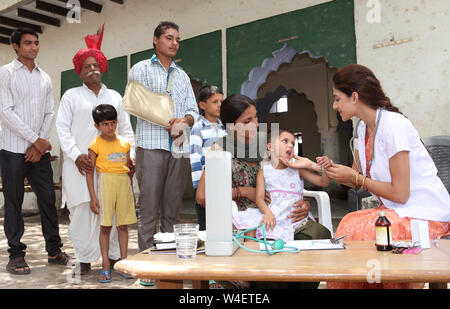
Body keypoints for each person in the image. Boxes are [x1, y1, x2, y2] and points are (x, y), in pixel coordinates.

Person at [323, 64, 450, 289]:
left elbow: (400, 193)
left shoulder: (394, 125)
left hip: (425, 213)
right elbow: (358, 178)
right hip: (396, 212)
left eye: (337, 98)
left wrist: (356, 178)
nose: (334, 106)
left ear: (354, 97)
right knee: (349, 224)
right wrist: (331, 170)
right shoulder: (362, 129)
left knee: (364, 230)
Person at [196, 94, 331, 289]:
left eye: (256, 118)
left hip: (282, 215)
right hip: (247, 223)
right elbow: (202, 197)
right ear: (231, 126)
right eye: (247, 121)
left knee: (318, 235)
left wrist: (303, 201)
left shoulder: (268, 144)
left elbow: (293, 176)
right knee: (274, 268)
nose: (255, 124)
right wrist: (244, 191)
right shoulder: (220, 150)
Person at [56, 25, 135, 275]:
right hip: (80, 165)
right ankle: (84, 258)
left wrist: (130, 157)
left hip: (112, 167)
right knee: (82, 210)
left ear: (102, 66)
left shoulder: (114, 96)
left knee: (109, 212)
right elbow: (62, 129)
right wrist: (75, 155)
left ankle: (112, 259)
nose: (92, 69)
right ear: (79, 71)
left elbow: (126, 130)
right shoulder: (71, 96)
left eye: (95, 64)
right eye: (87, 66)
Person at [0, 27, 74, 275]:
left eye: (36, 43)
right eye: (28, 43)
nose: (34, 47)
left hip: (37, 151)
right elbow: (5, 112)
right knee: (14, 201)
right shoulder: (6, 74)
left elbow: (49, 112)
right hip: (11, 149)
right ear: (16, 47)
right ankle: (16, 254)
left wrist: (38, 143)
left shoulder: (45, 77)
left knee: (47, 200)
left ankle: (54, 250)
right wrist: (35, 140)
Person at [232, 129, 331, 241]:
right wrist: (267, 213)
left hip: (293, 219)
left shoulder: (298, 170)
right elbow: (259, 198)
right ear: (270, 147)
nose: (290, 145)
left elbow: (324, 182)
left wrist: (323, 167)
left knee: (320, 233)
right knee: (251, 229)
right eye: (285, 141)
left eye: (293, 143)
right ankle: (253, 255)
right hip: (273, 214)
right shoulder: (264, 172)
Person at [86, 104, 137, 283]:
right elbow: (89, 172)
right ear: (97, 126)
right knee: (105, 227)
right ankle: (106, 266)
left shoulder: (125, 144)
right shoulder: (94, 146)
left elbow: (129, 170)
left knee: (123, 226)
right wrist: (93, 197)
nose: (110, 127)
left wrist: (130, 190)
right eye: (105, 124)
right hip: (105, 183)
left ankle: (124, 263)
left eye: (113, 123)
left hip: (123, 184)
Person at [189, 85, 227, 230]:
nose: (219, 106)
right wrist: (200, 189)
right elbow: (195, 159)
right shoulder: (198, 129)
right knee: (208, 229)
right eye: (215, 102)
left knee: (223, 226)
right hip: (206, 186)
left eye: (221, 102)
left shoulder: (225, 129)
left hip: (224, 185)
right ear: (203, 105)